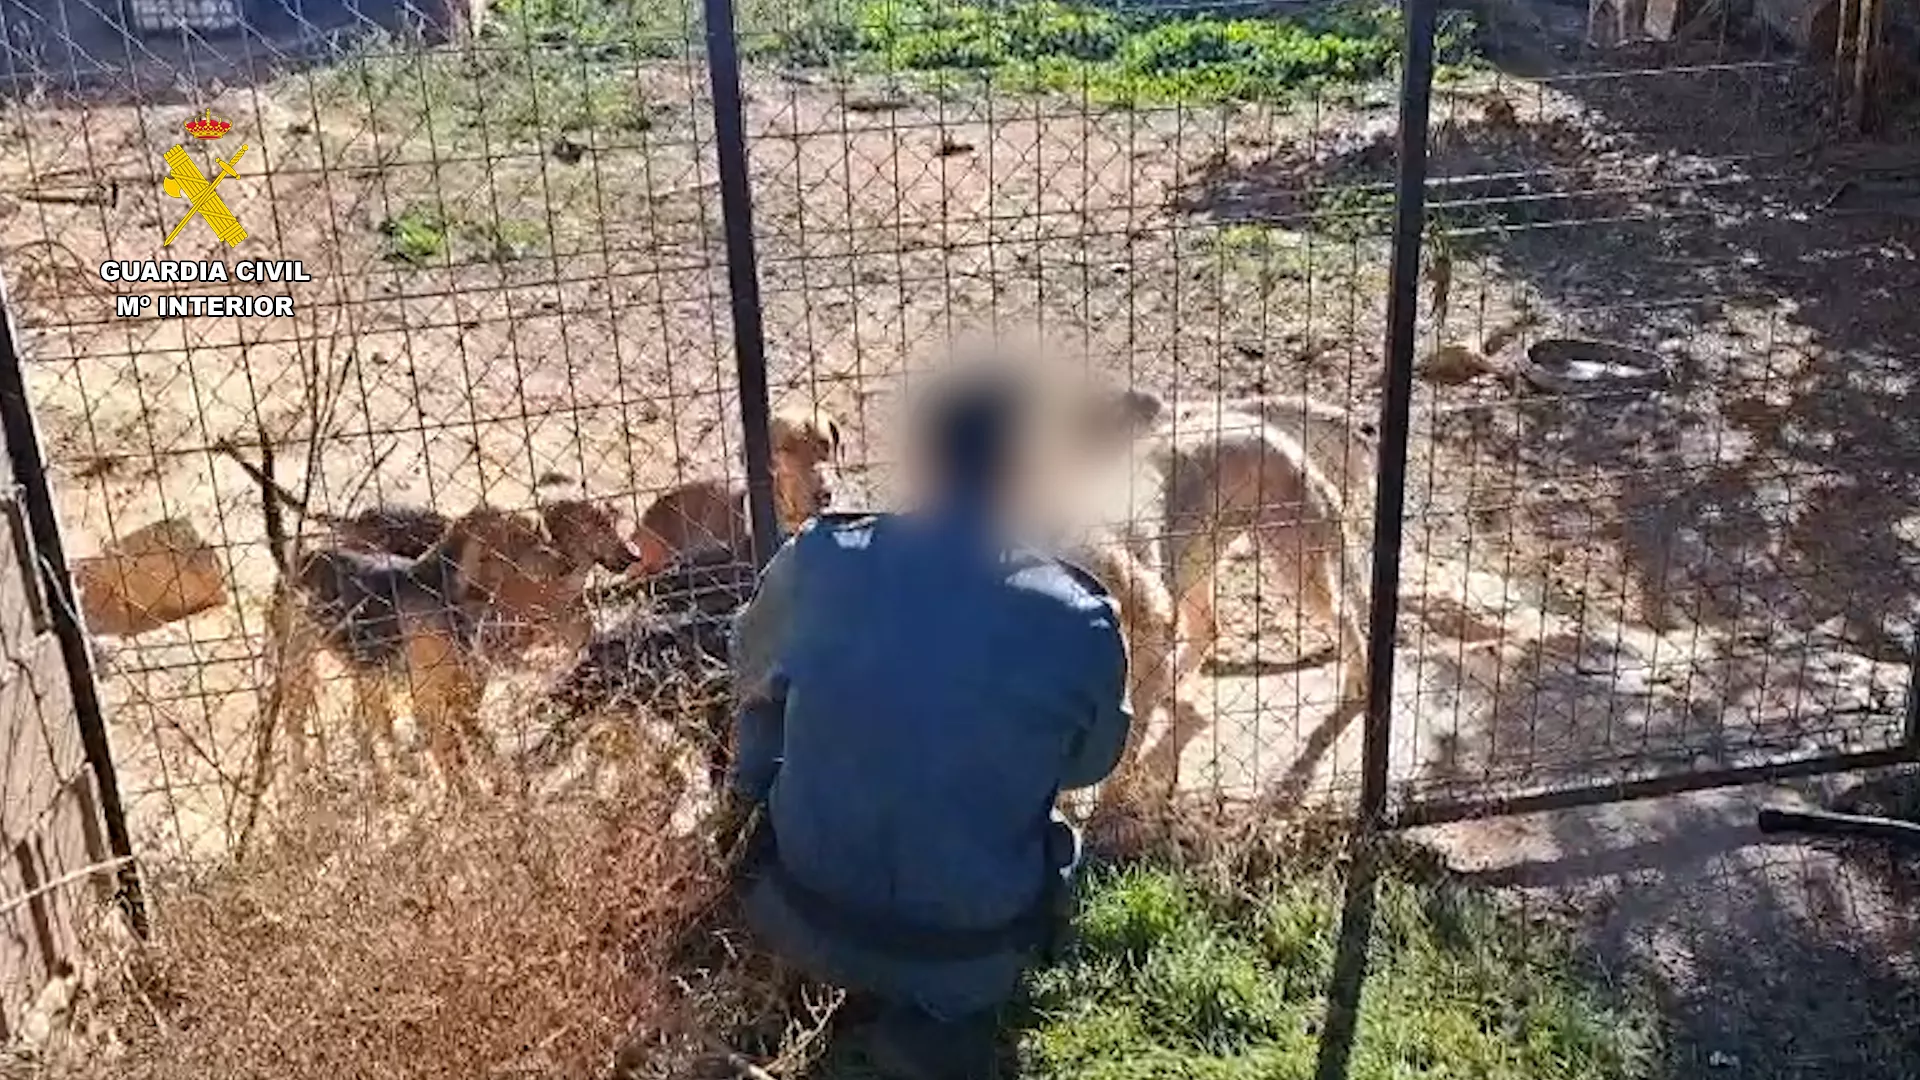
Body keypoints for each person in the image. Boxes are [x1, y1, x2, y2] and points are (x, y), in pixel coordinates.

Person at [717, 364, 1134, 1080]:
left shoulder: (820, 560)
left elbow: (746, 669)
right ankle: (935, 1026)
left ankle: (782, 928)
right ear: (1023, 471)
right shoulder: (1079, 616)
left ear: (922, 459)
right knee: (1055, 823)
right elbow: (1089, 765)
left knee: (767, 711)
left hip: (795, 913)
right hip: (969, 956)